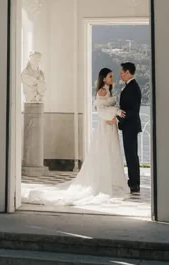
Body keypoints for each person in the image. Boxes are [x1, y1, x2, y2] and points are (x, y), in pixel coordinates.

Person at [22, 67, 128, 207]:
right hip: (105, 127)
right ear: (103, 78)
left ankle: (112, 178)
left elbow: (104, 109)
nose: (111, 78)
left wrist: (113, 116)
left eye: (112, 76)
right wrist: (115, 112)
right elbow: (101, 110)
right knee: (104, 151)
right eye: (109, 76)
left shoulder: (108, 91)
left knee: (111, 152)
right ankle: (104, 179)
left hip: (110, 125)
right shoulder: (102, 91)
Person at [117, 62, 142, 196]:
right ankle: (134, 181)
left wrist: (119, 118)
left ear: (128, 72)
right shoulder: (131, 87)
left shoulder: (132, 88)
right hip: (130, 125)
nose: (120, 75)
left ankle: (134, 183)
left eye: (121, 72)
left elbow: (132, 110)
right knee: (131, 155)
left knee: (131, 155)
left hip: (131, 126)